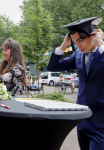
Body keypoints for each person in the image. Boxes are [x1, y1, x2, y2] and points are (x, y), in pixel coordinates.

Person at [47, 17, 104, 150]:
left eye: (80, 40)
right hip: (82, 120)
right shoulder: (78, 54)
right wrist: (63, 46)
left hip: (101, 123)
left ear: (93, 35)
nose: (78, 45)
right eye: (74, 42)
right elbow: (52, 67)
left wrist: (101, 43)